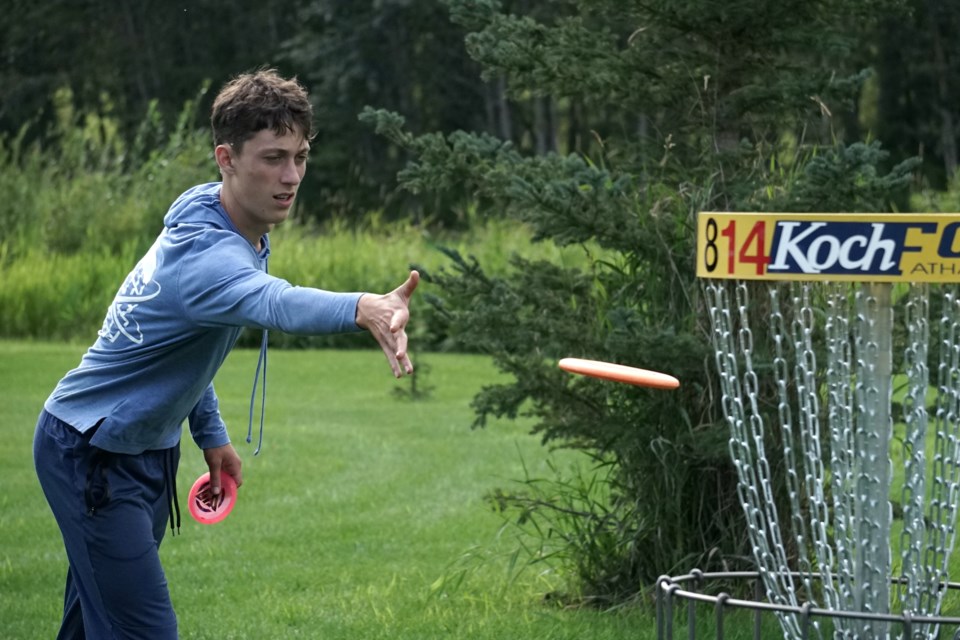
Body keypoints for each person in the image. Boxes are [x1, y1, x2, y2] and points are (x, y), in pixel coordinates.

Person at [33, 68, 419, 639]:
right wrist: (363, 306)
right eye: (272, 158)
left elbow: (184, 352)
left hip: (140, 452)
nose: (291, 177)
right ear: (226, 158)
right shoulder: (207, 257)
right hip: (91, 453)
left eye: (300, 156)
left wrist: (210, 435)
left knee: (96, 624)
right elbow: (278, 303)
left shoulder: (220, 216)